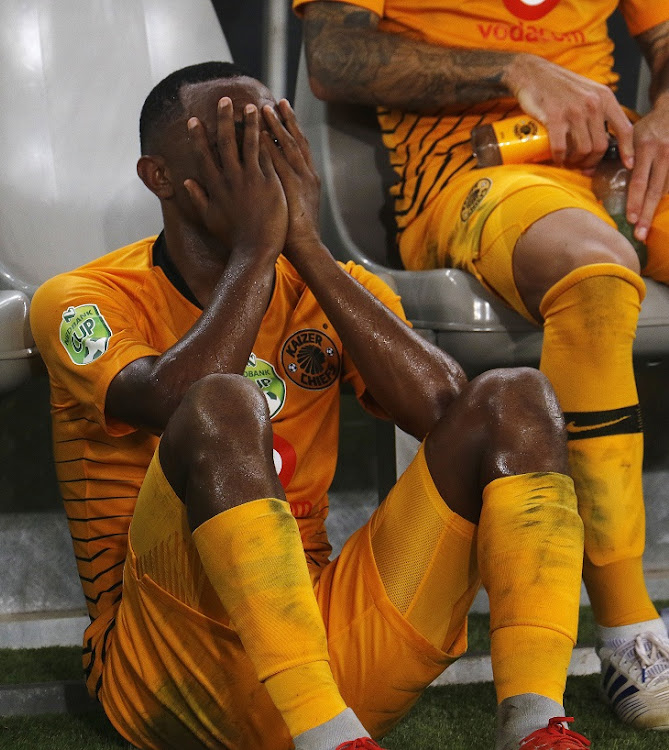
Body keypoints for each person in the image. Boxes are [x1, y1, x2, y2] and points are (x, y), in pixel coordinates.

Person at [30, 61, 592, 750]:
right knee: (221, 403)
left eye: (270, 136)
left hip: (328, 651)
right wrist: (257, 252)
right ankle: (322, 731)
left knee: (515, 395)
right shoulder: (84, 297)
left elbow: (449, 410)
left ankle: (534, 725)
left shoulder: (326, 287)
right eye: (228, 143)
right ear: (158, 177)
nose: (255, 162)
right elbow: (174, 401)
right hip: (164, 667)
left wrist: (306, 249)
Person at [295, 0, 669, 731]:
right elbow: (333, 58)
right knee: (592, 278)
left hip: (623, 153)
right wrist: (513, 68)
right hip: (473, 163)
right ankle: (630, 632)